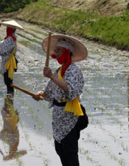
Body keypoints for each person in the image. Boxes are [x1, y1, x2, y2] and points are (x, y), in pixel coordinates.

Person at [33, 34, 88, 166]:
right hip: (58, 117)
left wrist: (51, 76)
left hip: (70, 117)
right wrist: (40, 95)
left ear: (67, 52)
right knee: (60, 150)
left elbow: (70, 90)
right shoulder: (60, 71)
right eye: (55, 51)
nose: (55, 53)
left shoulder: (73, 71)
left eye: (58, 51)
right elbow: (50, 93)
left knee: (70, 152)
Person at [0, 20, 24, 96]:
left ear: (12, 29)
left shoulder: (11, 38)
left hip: (9, 61)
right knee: (7, 80)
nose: (7, 29)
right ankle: (10, 94)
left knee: (8, 80)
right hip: (7, 60)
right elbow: (1, 46)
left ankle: (11, 94)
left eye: (9, 28)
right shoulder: (9, 38)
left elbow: (2, 48)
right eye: (7, 28)